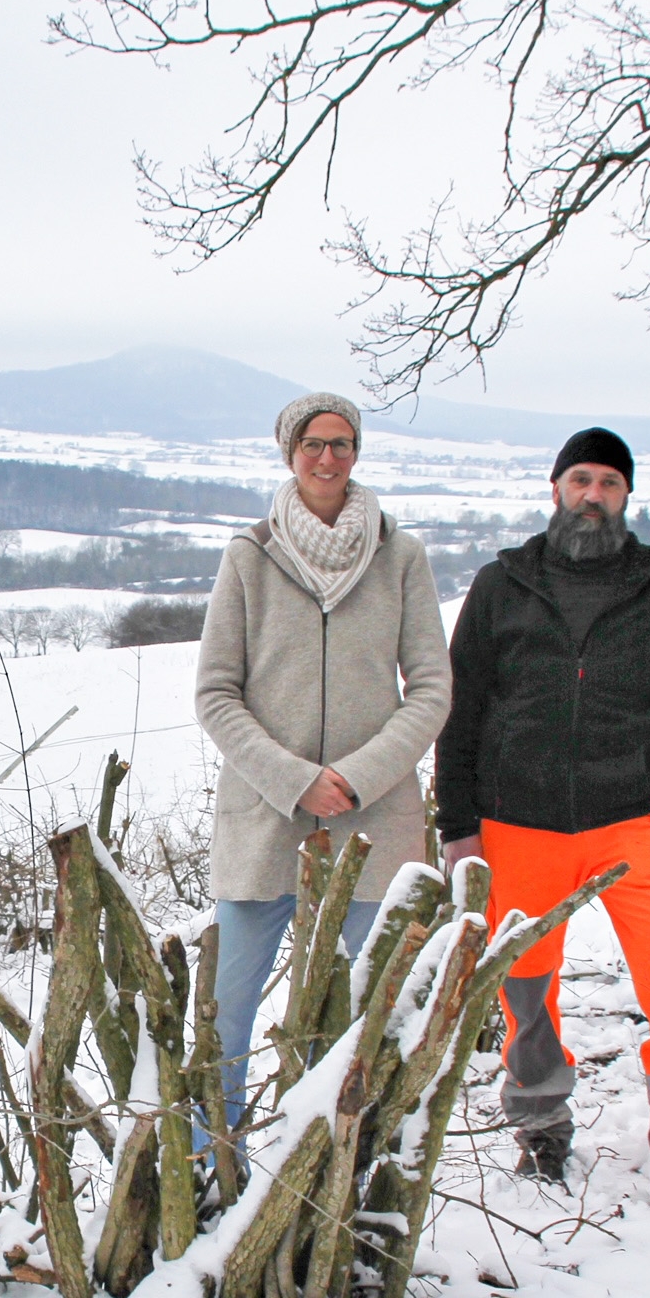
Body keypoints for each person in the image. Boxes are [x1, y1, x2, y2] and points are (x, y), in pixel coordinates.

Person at [435, 428, 650, 1199]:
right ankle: (540, 1132)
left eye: (608, 481)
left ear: (627, 494)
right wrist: (459, 824)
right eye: (579, 480)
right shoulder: (504, 583)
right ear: (556, 489)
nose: (593, 494)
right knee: (525, 995)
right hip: (516, 824)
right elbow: (460, 709)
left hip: (632, 821)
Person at [194, 391, 453, 1155]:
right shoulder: (250, 555)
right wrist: (292, 778)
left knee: (360, 1010)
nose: (328, 458)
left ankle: (336, 1167)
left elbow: (432, 688)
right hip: (265, 816)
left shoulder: (400, 556)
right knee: (229, 1011)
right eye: (314, 443)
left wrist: (358, 776)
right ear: (289, 452)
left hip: (374, 821)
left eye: (342, 444)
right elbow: (215, 692)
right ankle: (216, 1163)